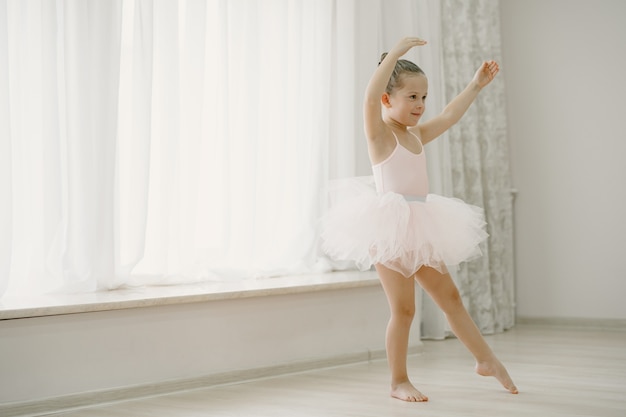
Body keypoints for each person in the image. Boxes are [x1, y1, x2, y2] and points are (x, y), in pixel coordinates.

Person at [321, 37, 518, 402]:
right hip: (390, 229)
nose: (421, 105)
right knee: (405, 309)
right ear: (387, 99)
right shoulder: (379, 135)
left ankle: (485, 360)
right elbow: (367, 98)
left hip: (422, 226)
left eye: (423, 97)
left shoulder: (416, 135)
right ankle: (398, 381)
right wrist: (395, 54)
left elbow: (448, 116)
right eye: (412, 97)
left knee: (451, 298)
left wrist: (475, 85)